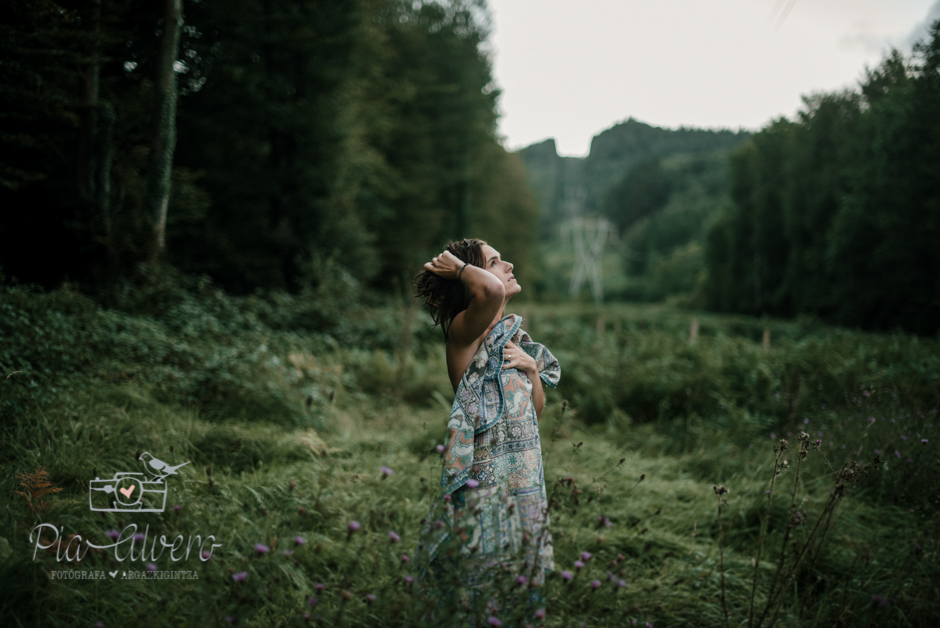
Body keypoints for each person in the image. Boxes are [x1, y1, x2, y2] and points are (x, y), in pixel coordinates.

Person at [412, 238, 561, 624]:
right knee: (483, 587)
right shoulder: (465, 333)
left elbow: (533, 416)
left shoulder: (512, 339)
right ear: (473, 281)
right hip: (486, 489)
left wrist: (532, 372)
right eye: (496, 261)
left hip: (525, 483)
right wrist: (458, 267)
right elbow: (491, 291)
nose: (508, 265)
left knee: (520, 586)